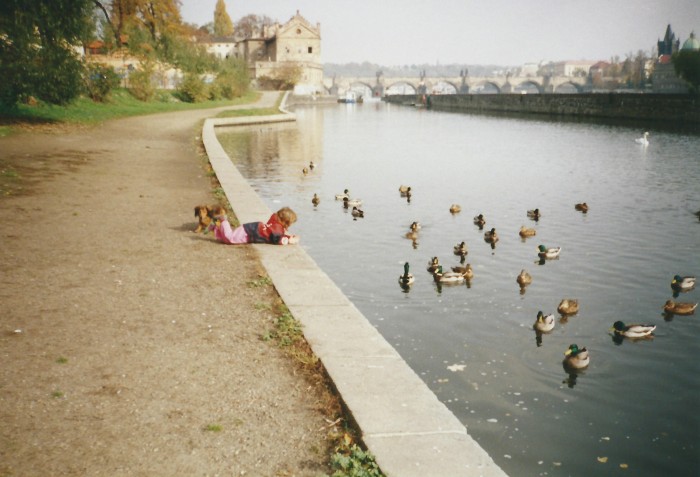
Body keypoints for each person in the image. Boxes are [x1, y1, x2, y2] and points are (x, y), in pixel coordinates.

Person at [210, 206, 299, 245]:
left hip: (251, 229)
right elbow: (278, 239)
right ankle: (223, 221)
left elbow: (277, 233)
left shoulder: (275, 220)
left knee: (229, 237)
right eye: (289, 224)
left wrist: (288, 235)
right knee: (230, 238)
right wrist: (290, 240)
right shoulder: (277, 228)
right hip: (249, 232)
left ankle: (217, 225)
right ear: (285, 222)